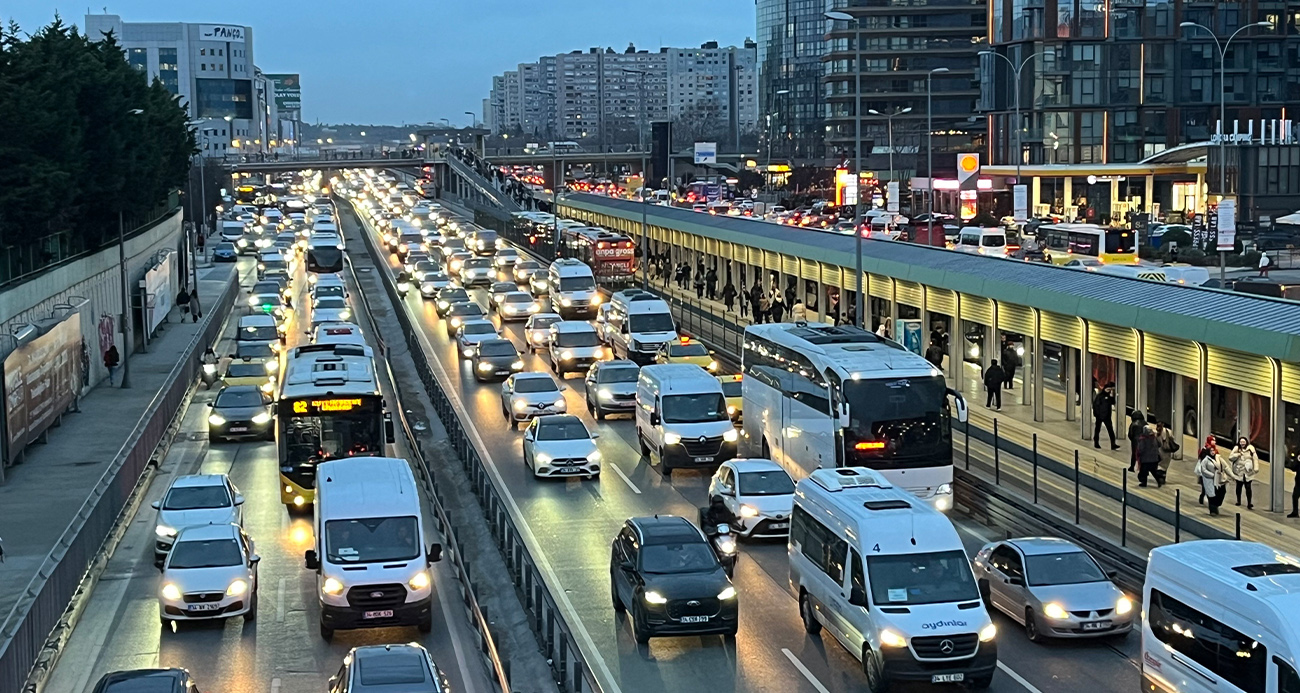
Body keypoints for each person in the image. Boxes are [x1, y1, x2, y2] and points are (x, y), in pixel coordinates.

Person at [1195, 444, 1228, 516]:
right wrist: (1212, 475)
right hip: (1209, 480)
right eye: (1211, 451)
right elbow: (1203, 470)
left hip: (1219, 480)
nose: (1213, 452)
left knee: (1221, 492)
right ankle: (1212, 510)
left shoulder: (1219, 458)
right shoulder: (1205, 460)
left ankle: (1216, 506)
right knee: (1211, 495)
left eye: (1214, 450)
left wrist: (1233, 476)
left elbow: (1226, 467)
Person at [1227, 436, 1259, 509]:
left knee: (1248, 487)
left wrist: (1256, 468)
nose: (1242, 443)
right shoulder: (1236, 449)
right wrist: (1237, 455)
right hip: (1239, 471)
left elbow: (1255, 459)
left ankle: (1249, 502)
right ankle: (1238, 500)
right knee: (1239, 487)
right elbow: (1230, 458)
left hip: (1248, 472)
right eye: (1241, 442)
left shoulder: (1251, 449)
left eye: (1243, 442)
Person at [1092, 383, 1120, 450]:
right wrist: (1096, 414)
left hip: (1107, 416)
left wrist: (1112, 395)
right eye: (1108, 389)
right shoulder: (1099, 396)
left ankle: (1113, 444)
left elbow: (1113, 402)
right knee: (1097, 430)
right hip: (1099, 416)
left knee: (1111, 430)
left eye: (1110, 390)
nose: (1108, 391)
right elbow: (1095, 405)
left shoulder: (1109, 397)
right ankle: (1096, 442)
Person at [1154, 420, 1176, 487]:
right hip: (1166, 452)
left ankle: (1161, 477)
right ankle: (1162, 477)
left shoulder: (1157, 433)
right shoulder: (1168, 431)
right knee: (1164, 466)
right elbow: (1172, 438)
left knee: (1160, 465)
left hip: (1161, 451)